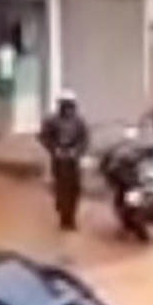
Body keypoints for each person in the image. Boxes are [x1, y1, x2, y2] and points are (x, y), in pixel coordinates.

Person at [40, 91, 89, 232]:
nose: (68, 108)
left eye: (70, 105)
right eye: (65, 105)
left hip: (74, 160)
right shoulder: (51, 120)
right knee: (61, 188)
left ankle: (71, 217)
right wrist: (55, 149)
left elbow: (85, 139)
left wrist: (77, 151)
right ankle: (63, 215)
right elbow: (45, 137)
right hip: (59, 159)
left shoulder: (79, 121)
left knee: (75, 189)